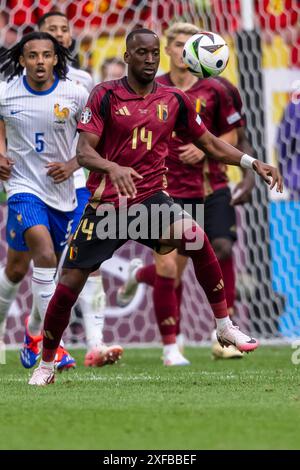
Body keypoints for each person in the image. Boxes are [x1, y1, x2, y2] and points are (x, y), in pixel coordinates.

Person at [28, 28, 282, 386]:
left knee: (196, 237)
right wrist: (112, 168)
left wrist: (252, 163)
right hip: (106, 207)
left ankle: (224, 326)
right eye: (142, 53)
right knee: (68, 286)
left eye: (153, 53)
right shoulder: (104, 95)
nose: (149, 59)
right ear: (128, 56)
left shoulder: (174, 99)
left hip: (149, 200)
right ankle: (47, 362)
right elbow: (84, 151)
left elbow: (209, 142)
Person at [117, 22, 254, 363]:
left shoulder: (218, 88)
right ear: (169, 51)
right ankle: (170, 345)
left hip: (212, 186)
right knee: (169, 267)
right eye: (175, 45)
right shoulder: (154, 87)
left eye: (185, 45)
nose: (180, 51)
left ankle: (222, 336)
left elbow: (232, 134)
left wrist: (206, 150)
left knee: (222, 248)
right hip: (166, 189)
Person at [38, 10, 123, 368]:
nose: (59, 34)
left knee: (89, 261)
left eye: (64, 29)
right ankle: (34, 336)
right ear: (37, 39)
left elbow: (96, 133)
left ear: (70, 38)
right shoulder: (14, 82)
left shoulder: (83, 80)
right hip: (33, 185)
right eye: (51, 30)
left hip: (79, 184)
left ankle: (95, 344)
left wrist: (78, 166)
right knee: (27, 266)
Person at [0, 31, 88, 370]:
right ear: (21, 60)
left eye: (46, 55)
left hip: (64, 194)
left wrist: (72, 164)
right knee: (44, 254)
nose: (40, 61)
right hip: (22, 187)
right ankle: (57, 346)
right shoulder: (7, 93)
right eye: (32, 55)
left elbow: (95, 141)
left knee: (54, 270)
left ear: (56, 58)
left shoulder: (76, 94)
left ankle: (34, 332)